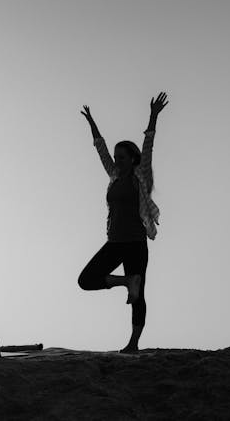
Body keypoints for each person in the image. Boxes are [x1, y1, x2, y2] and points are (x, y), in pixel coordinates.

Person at [77, 92, 168, 354]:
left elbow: (149, 145)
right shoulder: (114, 176)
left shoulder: (142, 176)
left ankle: (133, 344)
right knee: (86, 280)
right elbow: (101, 149)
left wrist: (153, 116)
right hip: (114, 242)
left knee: (140, 296)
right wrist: (92, 123)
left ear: (133, 160)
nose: (117, 161)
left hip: (135, 243)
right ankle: (127, 281)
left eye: (122, 157)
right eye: (116, 158)